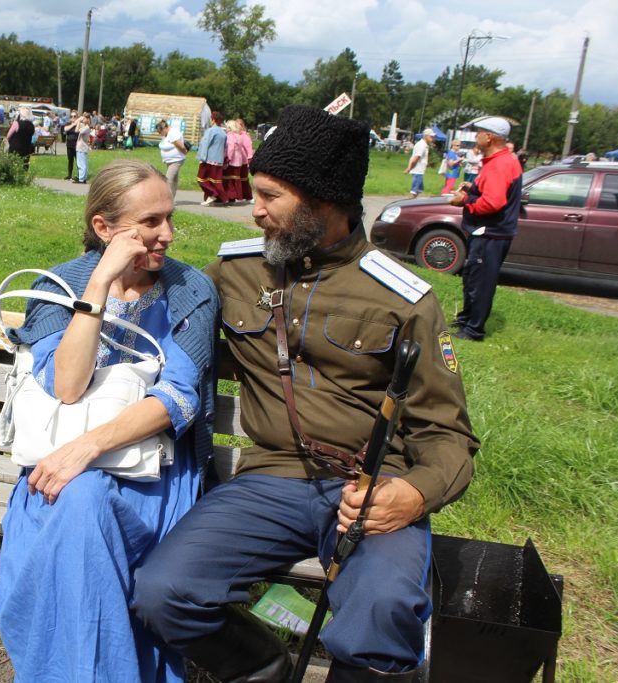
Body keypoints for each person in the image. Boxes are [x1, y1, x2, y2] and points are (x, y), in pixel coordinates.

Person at [132, 105, 478, 682]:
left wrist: (413, 495)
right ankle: (264, 669)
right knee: (164, 590)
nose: (254, 210)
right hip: (270, 480)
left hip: (369, 491)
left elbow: (446, 432)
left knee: (384, 610)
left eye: (270, 196)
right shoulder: (235, 273)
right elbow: (140, 299)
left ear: (324, 200)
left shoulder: (404, 298)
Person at [0, 159, 219, 683]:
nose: (167, 234)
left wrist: (87, 447)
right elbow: (65, 386)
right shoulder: (58, 284)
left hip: (153, 473)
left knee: (83, 498)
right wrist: (98, 284)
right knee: (79, 500)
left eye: (169, 218)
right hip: (63, 467)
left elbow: (178, 399)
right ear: (104, 228)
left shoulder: (192, 290)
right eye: (150, 222)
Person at [449, 116, 522, 342]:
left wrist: (464, 201)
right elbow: (491, 193)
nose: (476, 136)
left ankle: (473, 330)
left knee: (480, 283)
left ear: (489, 137)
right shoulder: (499, 161)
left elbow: (494, 202)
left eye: (479, 132)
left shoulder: (500, 164)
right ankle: (466, 319)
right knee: (472, 277)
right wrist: (473, 189)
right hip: (488, 232)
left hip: (490, 233)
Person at [197, 112, 228, 206]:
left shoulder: (211, 131)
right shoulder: (223, 132)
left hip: (209, 159)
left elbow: (205, 144)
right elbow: (225, 147)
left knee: (201, 179)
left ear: (213, 119)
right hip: (218, 160)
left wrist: (202, 157)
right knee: (214, 181)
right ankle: (211, 199)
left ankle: (214, 194)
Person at [223, 119, 254, 203]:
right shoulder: (238, 135)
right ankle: (236, 196)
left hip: (238, 160)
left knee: (237, 179)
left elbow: (248, 148)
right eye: (237, 125)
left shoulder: (239, 135)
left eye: (240, 124)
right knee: (236, 179)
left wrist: (249, 159)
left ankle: (239, 196)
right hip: (239, 160)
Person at [156, 119, 188, 199]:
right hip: (171, 160)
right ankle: (171, 198)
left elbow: (181, 146)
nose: (160, 134)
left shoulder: (173, 133)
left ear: (164, 128)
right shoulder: (169, 133)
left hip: (176, 160)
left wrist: (184, 152)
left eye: (160, 132)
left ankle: (166, 199)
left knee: (168, 179)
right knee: (173, 179)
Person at [404, 127, 435, 198]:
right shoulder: (422, 145)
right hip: (418, 170)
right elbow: (416, 158)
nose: (432, 138)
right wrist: (410, 168)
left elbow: (413, 157)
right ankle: (410, 201)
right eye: (431, 136)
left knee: (419, 189)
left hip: (420, 170)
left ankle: (413, 200)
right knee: (414, 190)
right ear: (426, 136)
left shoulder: (424, 145)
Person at [73, 114, 93, 184]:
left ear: (87, 119)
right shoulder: (85, 126)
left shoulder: (87, 127)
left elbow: (79, 131)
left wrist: (79, 121)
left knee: (81, 164)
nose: (82, 119)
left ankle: (81, 179)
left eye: (84, 118)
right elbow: (76, 130)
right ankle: (82, 178)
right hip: (81, 147)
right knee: (83, 163)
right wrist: (79, 121)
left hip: (81, 147)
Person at [63, 113, 80, 180]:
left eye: (74, 116)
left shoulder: (79, 124)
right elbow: (65, 129)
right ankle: (69, 175)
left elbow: (77, 131)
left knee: (78, 161)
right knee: (70, 160)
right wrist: (73, 124)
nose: (73, 117)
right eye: (71, 116)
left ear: (77, 117)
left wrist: (77, 122)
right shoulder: (68, 123)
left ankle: (79, 176)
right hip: (69, 145)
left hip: (76, 145)